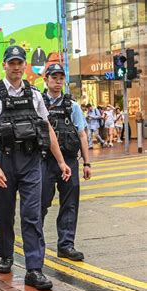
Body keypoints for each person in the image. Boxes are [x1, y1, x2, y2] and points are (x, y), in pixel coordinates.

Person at [0, 46, 71, 291]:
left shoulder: (34, 94)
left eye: (20, 63)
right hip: (4, 161)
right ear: (4, 65)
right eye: (12, 63)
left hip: (31, 162)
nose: (16, 67)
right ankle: (6, 254)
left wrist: (61, 161)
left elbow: (47, 129)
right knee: (5, 212)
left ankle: (34, 269)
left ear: (25, 66)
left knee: (32, 215)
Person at [41, 63, 91, 261]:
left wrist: (87, 163)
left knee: (69, 204)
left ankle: (66, 245)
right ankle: (37, 243)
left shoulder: (72, 105)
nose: (58, 81)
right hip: (44, 160)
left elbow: (82, 134)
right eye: (54, 77)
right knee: (40, 203)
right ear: (46, 79)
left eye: (61, 78)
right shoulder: (38, 102)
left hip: (69, 160)